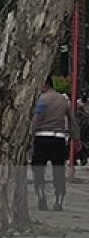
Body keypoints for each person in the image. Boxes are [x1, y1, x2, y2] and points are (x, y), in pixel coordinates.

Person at [32, 75, 79, 211]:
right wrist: (75, 137)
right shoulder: (64, 100)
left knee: (38, 169)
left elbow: (36, 119)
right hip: (59, 139)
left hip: (42, 138)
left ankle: (41, 196)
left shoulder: (41, 100)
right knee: (59, 170)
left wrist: (30, 134)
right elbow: (72, 120)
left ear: (45, 85)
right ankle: (59, 200)